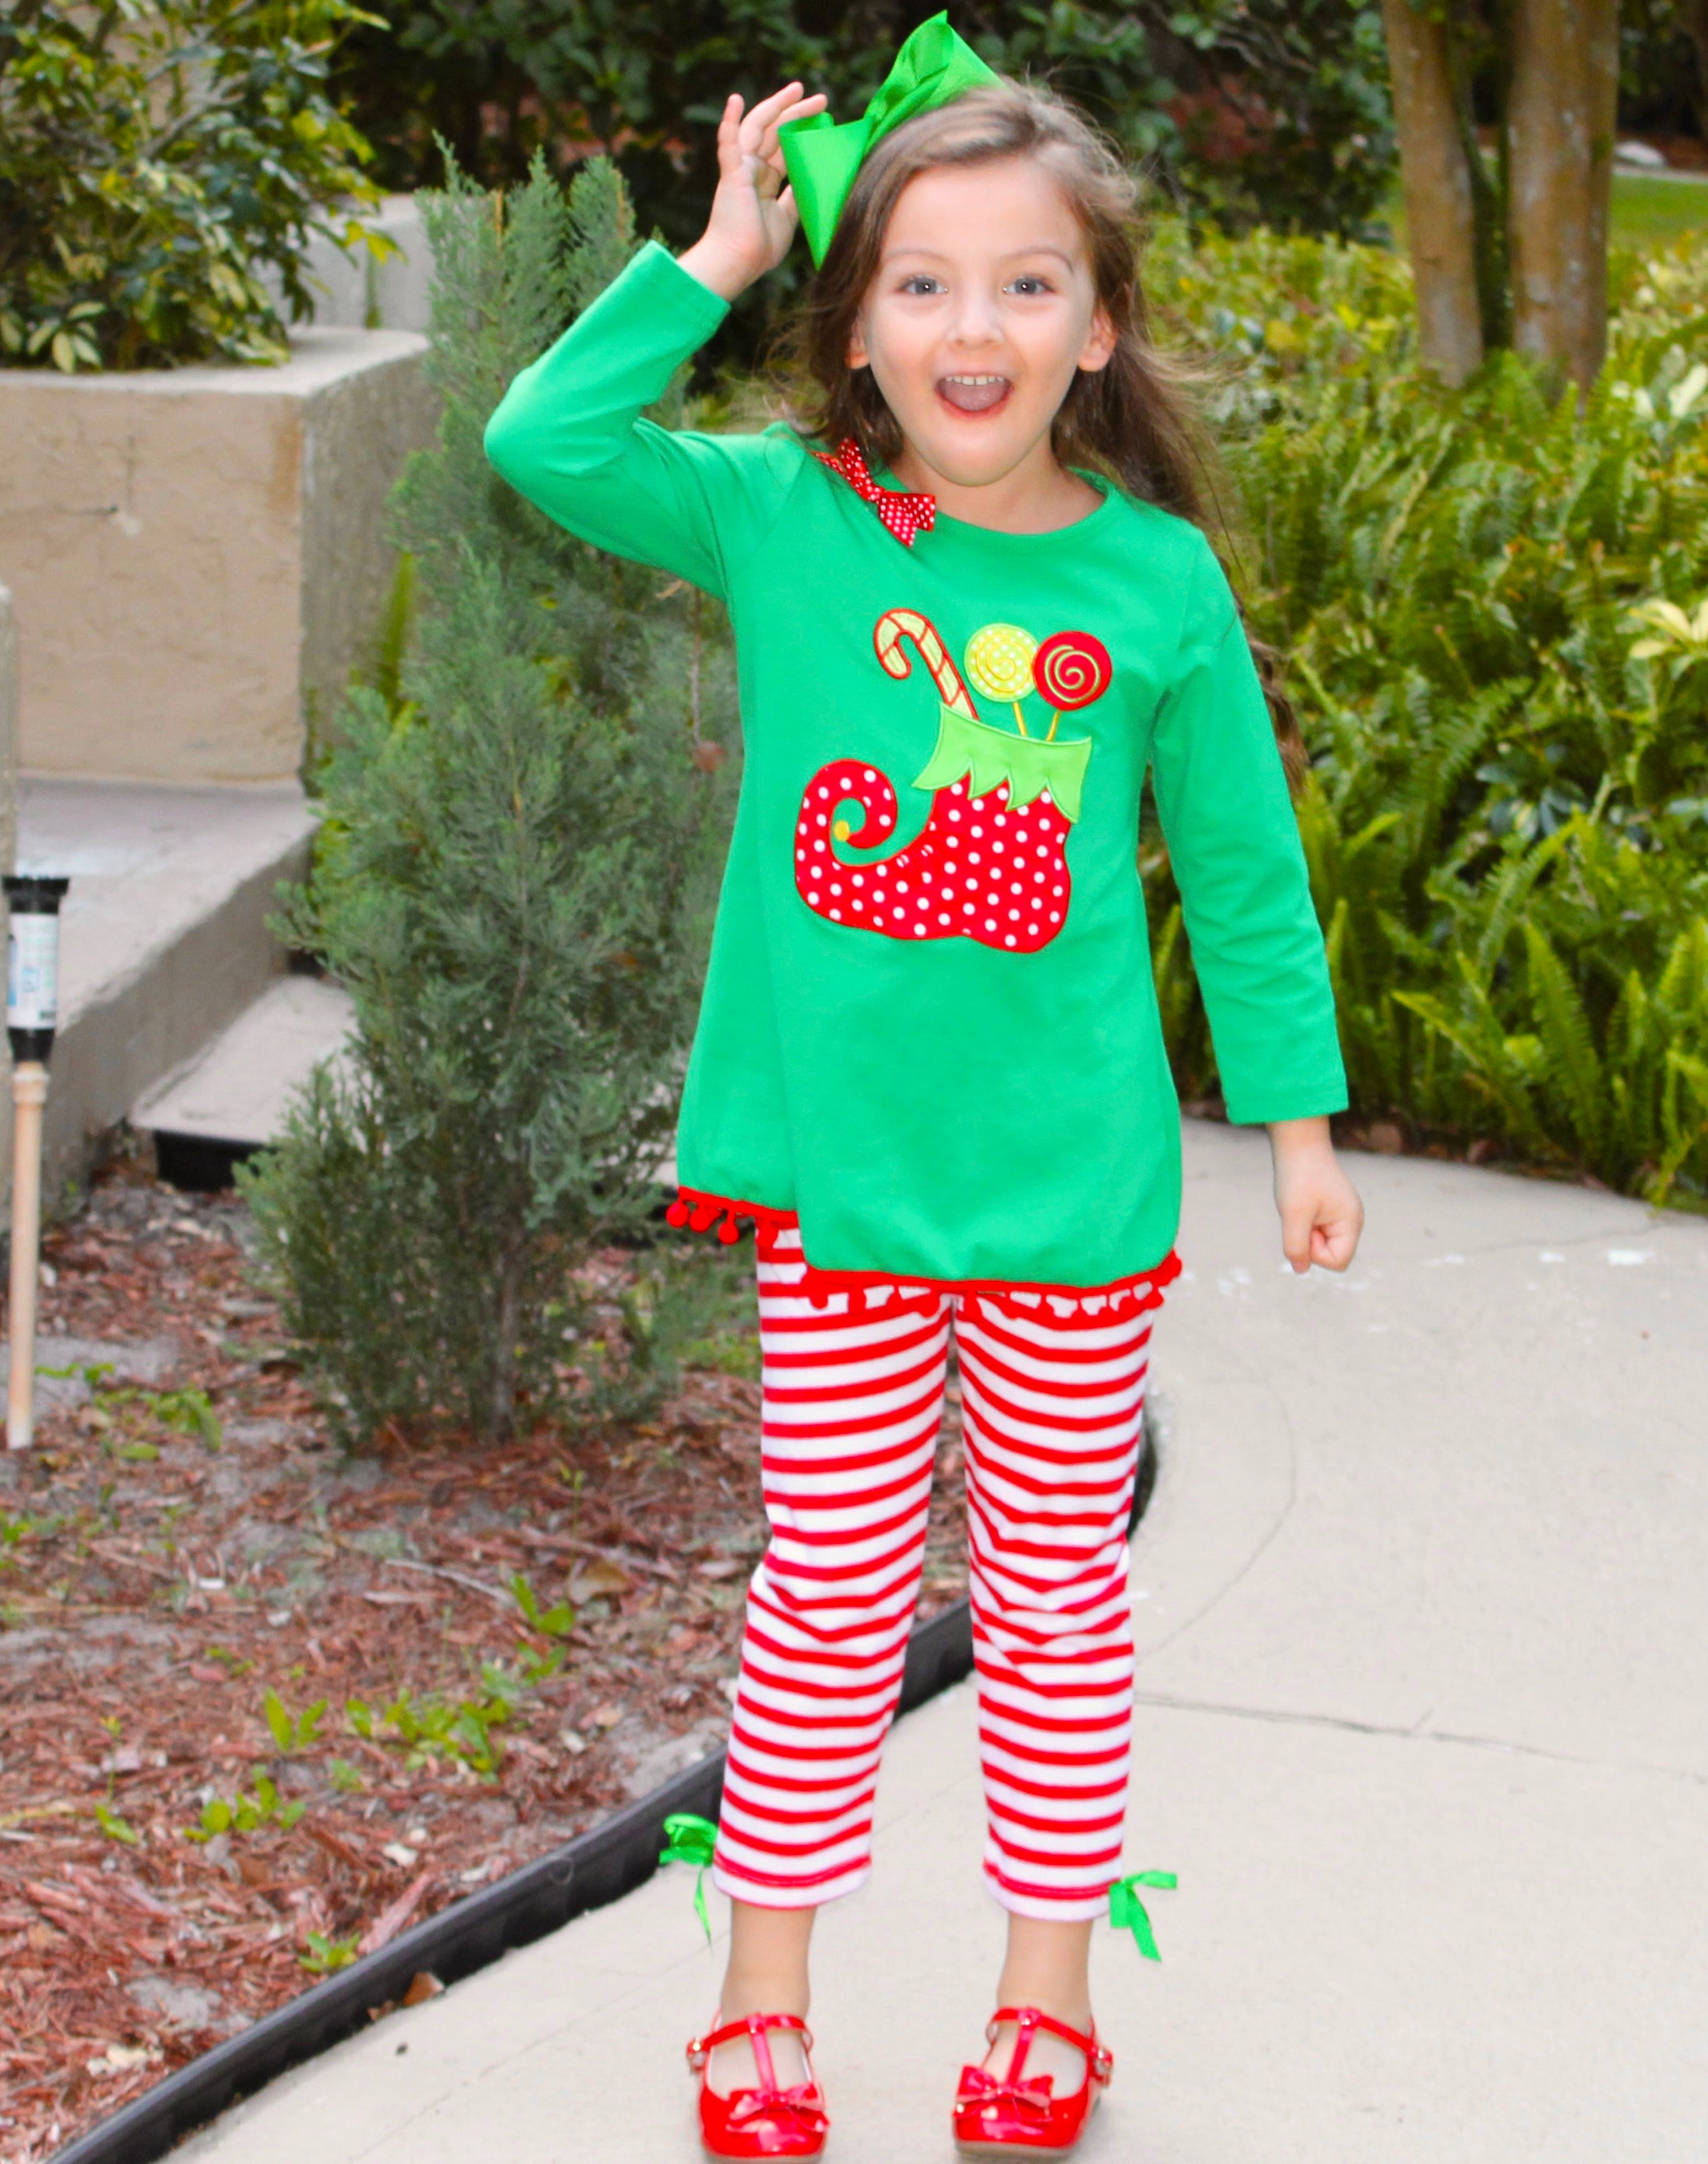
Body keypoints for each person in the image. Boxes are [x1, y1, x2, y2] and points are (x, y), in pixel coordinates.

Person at [484, 18, 1364, 2156]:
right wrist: (711, 254)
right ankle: (760, 1990)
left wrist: (1300, 1121)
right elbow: (544, 436)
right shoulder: (784, 518)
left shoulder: (1150, 579)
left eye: (1026, 283)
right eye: (922, 282)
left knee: (1059, 1597)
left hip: (1070, 1195)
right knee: (830, 1598)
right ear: (857, 325)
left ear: (1095, 328)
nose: (974, 324)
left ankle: (1046, 1990)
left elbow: (1242, 878)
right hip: (841, 1188)